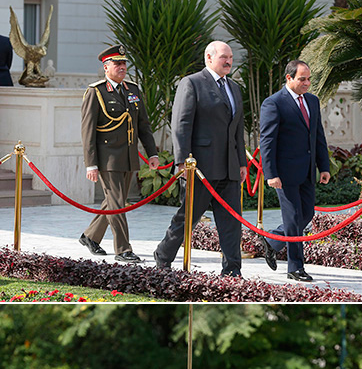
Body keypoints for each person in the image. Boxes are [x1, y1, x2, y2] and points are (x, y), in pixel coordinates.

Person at [154, 40, 246, 277]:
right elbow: (181, 124)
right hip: (200, 167)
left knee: (231, 221)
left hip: (229, 168)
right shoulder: (192, 83)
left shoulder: (234, 88)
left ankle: (232, 269)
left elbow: (237, 130)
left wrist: (242, 162)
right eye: (224, 57)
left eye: (230, 58)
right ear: (209, 57)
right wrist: (182, 161)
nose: (228, 61)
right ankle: (163, 256)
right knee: (188, 217)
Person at [80, 43, 158, 262]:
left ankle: (90, 236)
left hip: (128, 157)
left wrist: (152, 153)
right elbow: (87, 131)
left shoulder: (132, 89)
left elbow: (143, 125)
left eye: (124, 63)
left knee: (114, 202)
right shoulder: (96, 92)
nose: (122, 67)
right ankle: (123, 249)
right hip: (107, 159)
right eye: (117, 63)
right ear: (106, 67)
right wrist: (91, 164)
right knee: (118, 205)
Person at [259, 59, 330, 282]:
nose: (307, 83)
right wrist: (271, 174)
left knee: (306, 214)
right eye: (302, 79)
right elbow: (267, 141)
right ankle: (295, 267)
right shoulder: (273, 103)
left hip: (307, 172)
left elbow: (318, 135)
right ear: (288, 78)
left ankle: (272, 242)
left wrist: (324, 166)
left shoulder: (312, 101)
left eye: (309, 79)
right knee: (293, 219)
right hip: (284, 174)